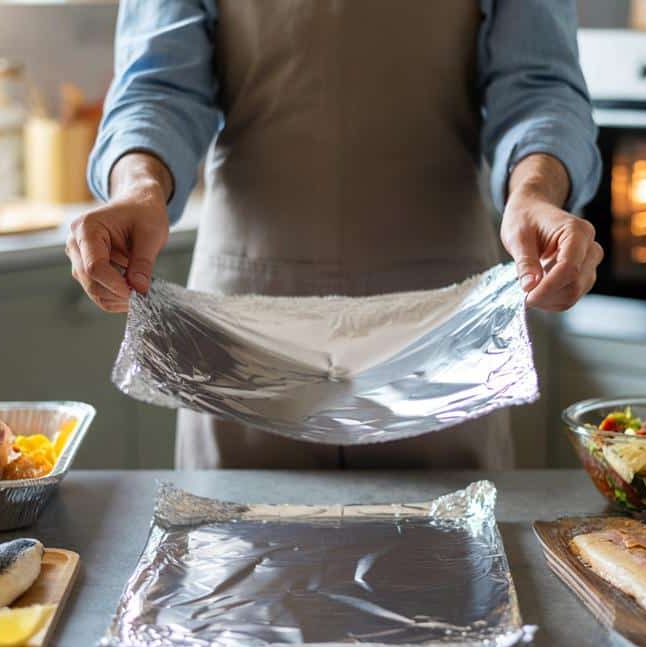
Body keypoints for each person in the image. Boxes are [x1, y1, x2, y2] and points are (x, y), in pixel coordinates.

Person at [68, 0, 602, 471]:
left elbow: (539, 86)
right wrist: (138, 188)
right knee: (232, 554)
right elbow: (158, 84)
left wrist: (533, 190)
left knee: (452, 564)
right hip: (244, 328)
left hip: (440, 324)